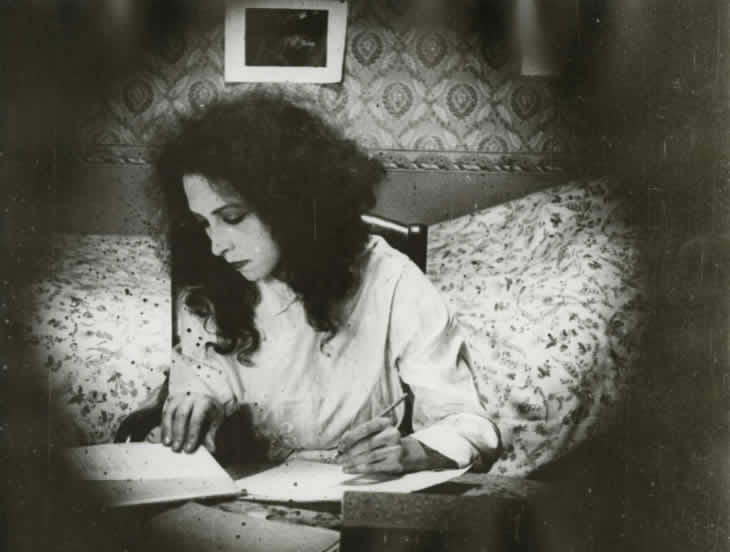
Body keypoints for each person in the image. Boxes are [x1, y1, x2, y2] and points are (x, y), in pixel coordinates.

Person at [154, 92, 501, 474]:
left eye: (232, 218)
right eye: (203, 223)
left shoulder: (390, 281)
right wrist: (196, 407)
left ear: (289, 204)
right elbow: (199, 380)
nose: (216, 246)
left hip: (359, 490)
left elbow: (469, 426)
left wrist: (411, 452)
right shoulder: (211, 284)